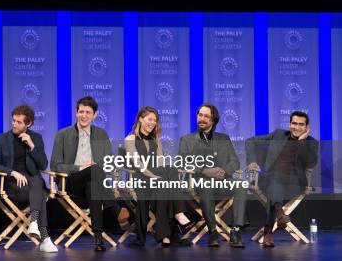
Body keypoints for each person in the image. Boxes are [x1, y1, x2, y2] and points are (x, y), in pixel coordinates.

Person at [50, 96, 129, 251]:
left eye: (87, 112)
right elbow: (55, 165)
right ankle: (115, 209)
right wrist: (79, 167)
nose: (84, 115)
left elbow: (108, 163)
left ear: (95, 115)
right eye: (81, 112)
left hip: (94, 182)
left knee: (93, 185)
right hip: (71, 182)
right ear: (76, 113)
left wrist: (97, 167)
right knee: (94, 170)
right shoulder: (63, 134)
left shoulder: (101, 134)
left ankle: (98, 239)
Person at [245, 111, 319, 247]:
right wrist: (251, 161)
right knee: (275, 179)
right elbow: (250, 141)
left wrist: (302, 142)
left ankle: (269, 230)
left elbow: (310, 163)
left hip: (295, 183)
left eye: (301, 125)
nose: (296, 127)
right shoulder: (279, 134)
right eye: (294, 123)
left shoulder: (312, 142)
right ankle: (280, 214)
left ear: (307, 127)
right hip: (270, 180)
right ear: (290, 124)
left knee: (274, 188)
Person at [178, 103, 247, 248]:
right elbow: (182, 162)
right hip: (198, 182)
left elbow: (235, 162)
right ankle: (212, 231)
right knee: (206, 186)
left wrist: (222, 171)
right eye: (199, 115)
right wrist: (204, 170)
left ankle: (236, 231)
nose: (201, 119)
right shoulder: (187, 140)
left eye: (206, 116)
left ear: (213, 120)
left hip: (222, 180)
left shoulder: (224, 138)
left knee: (241, 185)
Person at [0, 105, 57, 253]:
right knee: (40, 190)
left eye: (19, 122)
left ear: (29, 124)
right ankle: (45, 237)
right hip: (13, 186)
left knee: (38, 182)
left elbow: (43, 165)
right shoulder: (1, 139)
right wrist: (12, 172)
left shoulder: (36, 138)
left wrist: (32, 146)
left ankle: (34, 223)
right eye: (13, 121)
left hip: (33, 185)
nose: (14, 124)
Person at [125, 106, 193, 247]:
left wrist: (158, 177)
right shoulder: (130, 139)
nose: (152, 123)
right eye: (150, 119)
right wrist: (152, 176)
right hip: (142, 178)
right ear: (140, 119)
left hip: (157, 178)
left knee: (170, 173)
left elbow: (161, 163)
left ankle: (166, 235)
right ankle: (174, 223)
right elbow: (138, 163)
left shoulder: (156, 141)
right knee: (165, 184)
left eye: (155, 120)